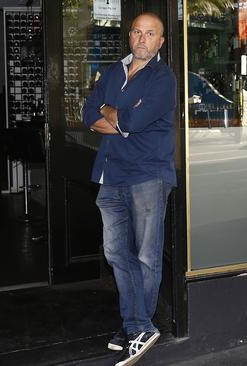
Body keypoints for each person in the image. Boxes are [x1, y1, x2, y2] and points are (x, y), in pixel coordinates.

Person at [82, 12, 176, 366]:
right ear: (130, 37)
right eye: (137, 31)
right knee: (115, 253)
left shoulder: (163, 78)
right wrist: (118, 115)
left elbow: (135, 121)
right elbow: (88, 113)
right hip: (110, 174)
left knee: (146, 256)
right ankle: (135, 322)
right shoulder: (111, 72)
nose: (142, 38)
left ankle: (138, 325)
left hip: (148, 175)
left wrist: (114, 115)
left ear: (160, 41)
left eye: (150, 33)